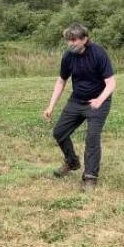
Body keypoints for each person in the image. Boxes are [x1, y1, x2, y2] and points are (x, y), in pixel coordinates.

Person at [42, 23, 116, 192]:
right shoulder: (68, 56)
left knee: (92, 137)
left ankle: (90, 177)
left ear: (85, 39)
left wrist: (99, 99)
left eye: (74, 40)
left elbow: (111, 83)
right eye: (69, 40)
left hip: (99, 102)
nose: (71, 43)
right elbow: (62, 81)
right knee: (59, 132)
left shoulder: (98, 53)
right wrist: (51, 106)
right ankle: (72, 161)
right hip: (77, 100)